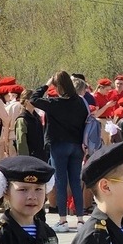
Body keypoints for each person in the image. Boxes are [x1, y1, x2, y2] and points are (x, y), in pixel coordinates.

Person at [29, 71, 88, 233]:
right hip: (76, 145)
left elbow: (33, 99)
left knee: (61, 182)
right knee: (76, 181)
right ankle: (81, 219)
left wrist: (47, 84)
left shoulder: (54, 103)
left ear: (58, 87)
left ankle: (62, 220)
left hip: (59, 145)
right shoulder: (81, 103)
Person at [14, 89, 46, 159]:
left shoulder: (37, 117)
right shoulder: (22, 119)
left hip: (40, 155)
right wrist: (25, 159)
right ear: (27, 101)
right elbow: (21, 143)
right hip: (30, 157)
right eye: (34, 98)